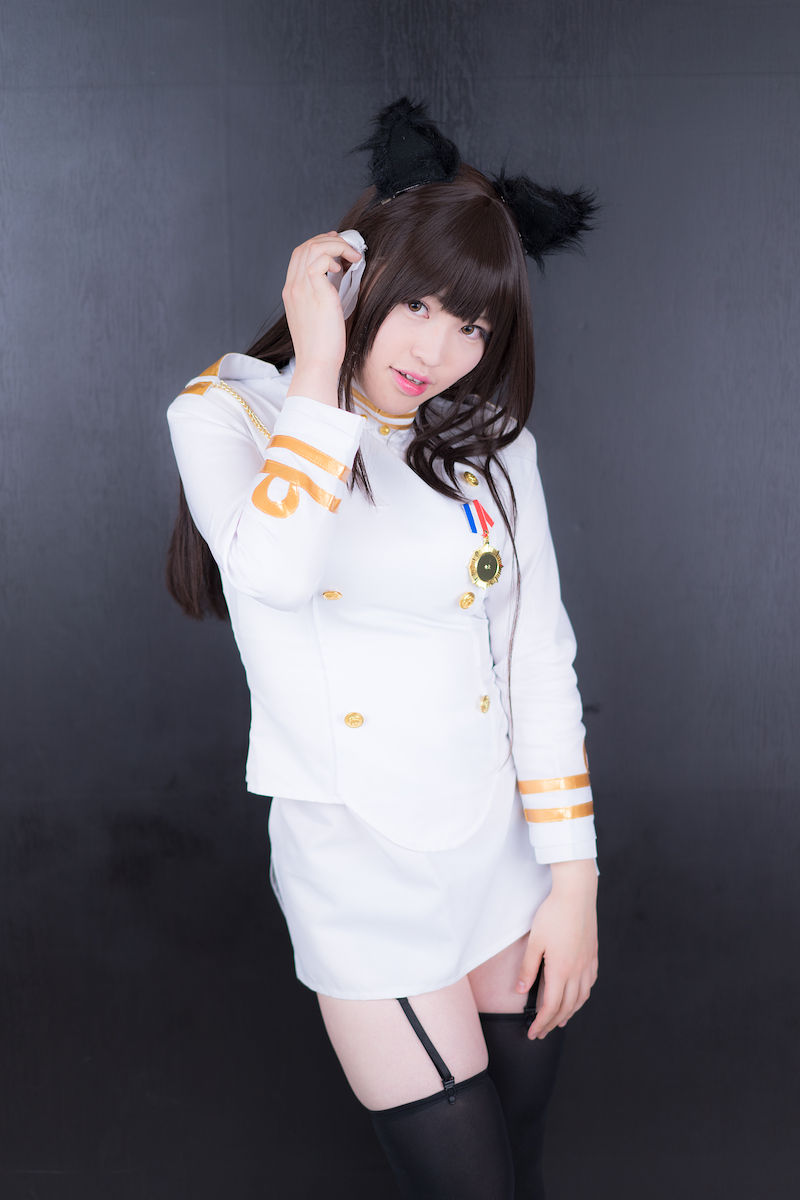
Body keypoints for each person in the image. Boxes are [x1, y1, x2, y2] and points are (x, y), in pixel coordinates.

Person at [165, 98, 600, 1199]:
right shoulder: (230, 413)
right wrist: (317, 363)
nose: (438, 351)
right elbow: (271, 573)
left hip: (500, 849)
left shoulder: (490, 447)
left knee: (523, 1167)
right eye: (418, 304)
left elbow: (535, 660)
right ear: (355, 271)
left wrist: (575, 881)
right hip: (358, 856)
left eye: (473, 329)